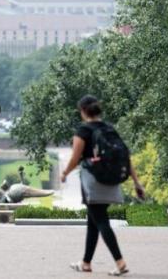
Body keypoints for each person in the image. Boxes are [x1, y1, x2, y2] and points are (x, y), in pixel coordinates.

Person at [60, 95, 145, 276]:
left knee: (100, 220)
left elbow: (75, 158)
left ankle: (120, 262)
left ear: (83, 111)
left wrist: (64, 173)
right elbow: (126, 158)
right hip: (111, 180)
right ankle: (85, 263)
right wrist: (137, 183)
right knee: (94, 221)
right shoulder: (109, 129)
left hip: (93, 180)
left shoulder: (83, 130)